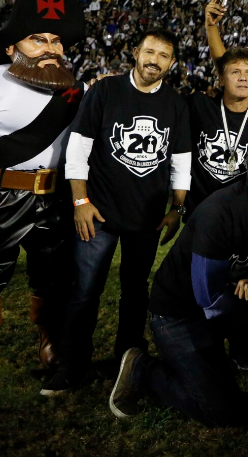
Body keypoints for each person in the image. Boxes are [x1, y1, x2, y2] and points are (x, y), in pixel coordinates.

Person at [108, 133, 248, 424]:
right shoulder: (220, 212)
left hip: (234, 300)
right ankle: (141, 369)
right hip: (182, 312)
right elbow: (208, 299)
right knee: (221, 412)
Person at [43, 29, 192, 395]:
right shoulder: (105, 90)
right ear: (136, 52)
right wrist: (81, 202)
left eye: (164, 56)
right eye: (150, 52)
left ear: (172, 64)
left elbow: (181, 161)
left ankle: (128, 361)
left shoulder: (176, 103)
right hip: (99, 212)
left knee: (135, 292)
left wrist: (177, 208)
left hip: (147, 217)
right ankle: (71, 364)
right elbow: (77, 150)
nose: (155, 60)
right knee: (85, 291)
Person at [0, 0, 86, 387]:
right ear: (11, 47)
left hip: (53, 199)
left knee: (55, 278)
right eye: (38, 39)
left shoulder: (77, 90)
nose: (50, 48)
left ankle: (51, 341)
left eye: (56, 40)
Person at [185, 48, 248, 213]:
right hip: (199, 213)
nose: (243, 77)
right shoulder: (199, 106)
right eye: (235, 71)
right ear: (221, 80)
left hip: (244, 213)